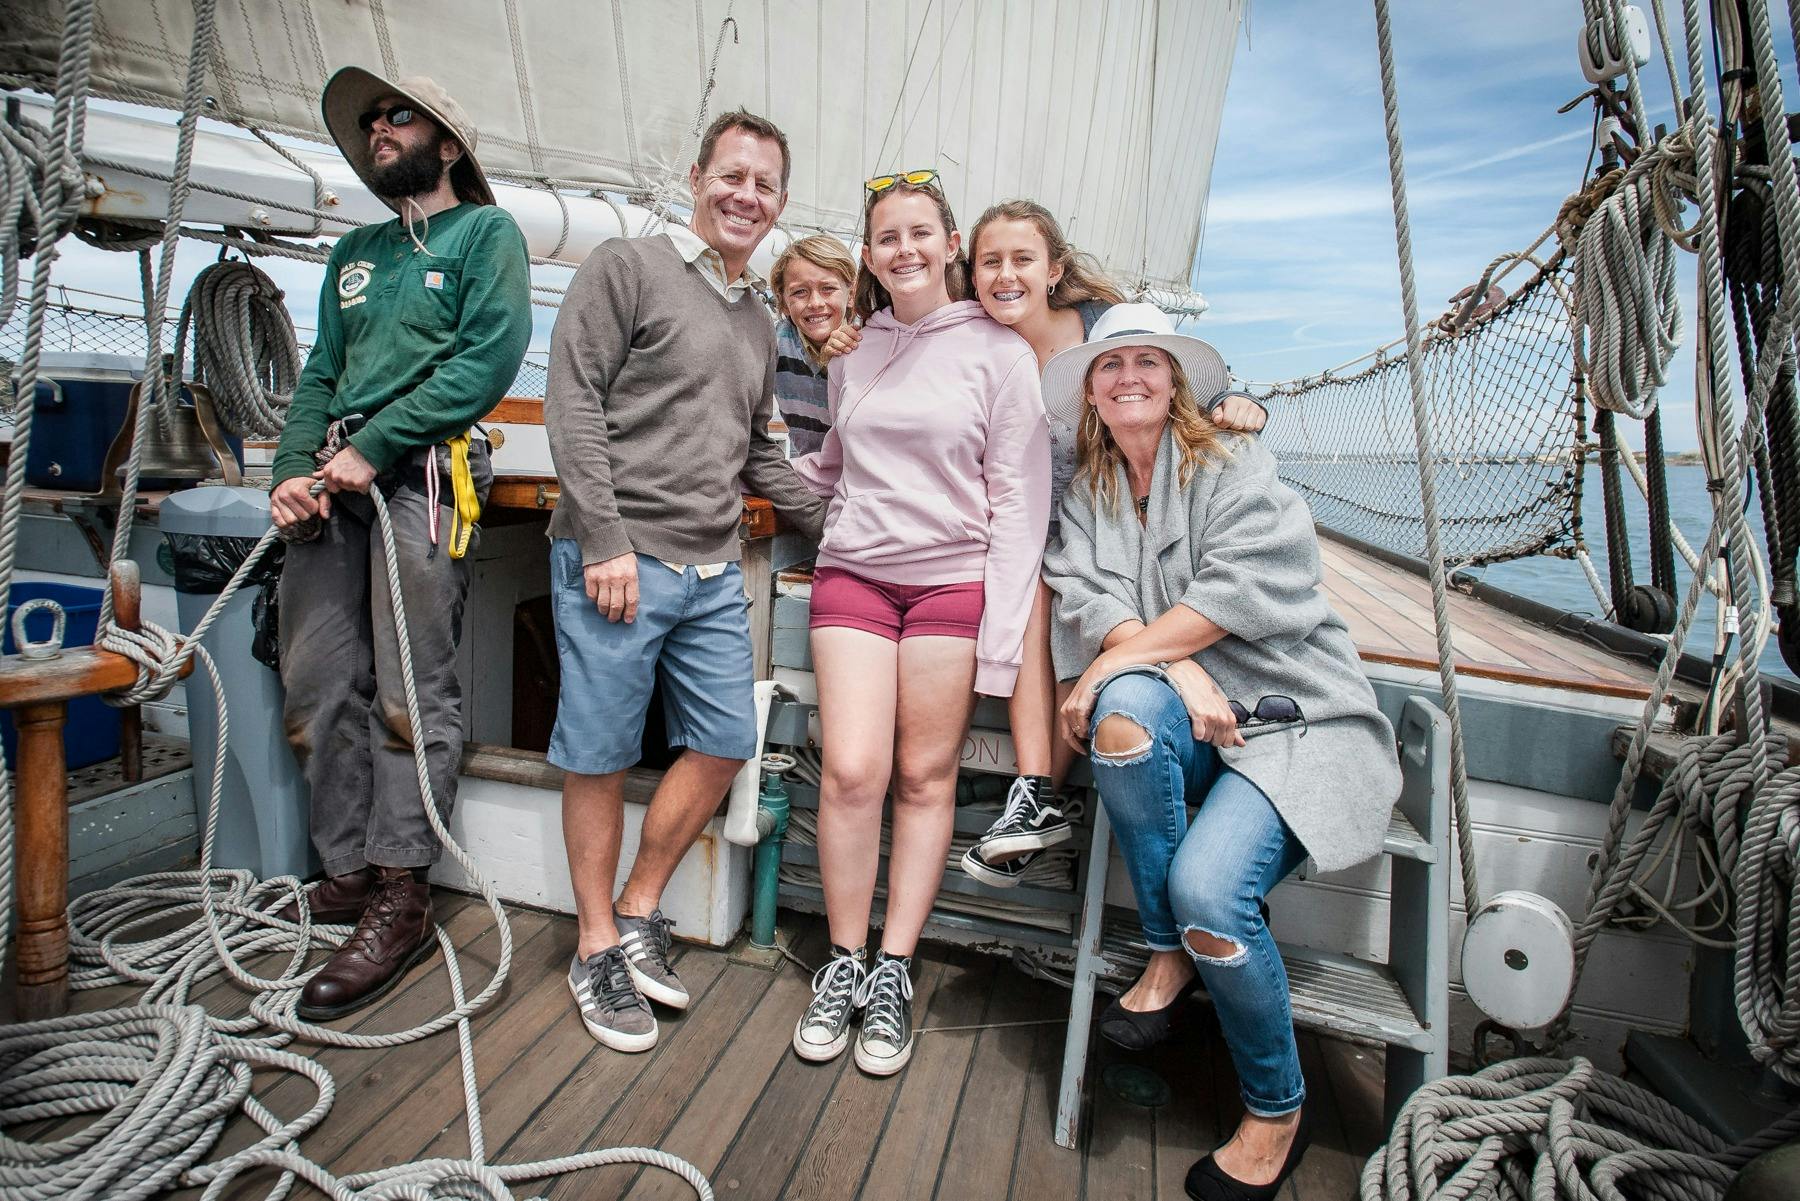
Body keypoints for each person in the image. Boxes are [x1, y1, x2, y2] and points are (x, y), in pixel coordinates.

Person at [1040, 303, 1400, 1201]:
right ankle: (1166, 950)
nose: (1129, 375)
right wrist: (1164, 667)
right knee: (1122, 714)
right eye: (1109, 362)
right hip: (1192, 713)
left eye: (1148, 362)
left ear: (1177, 381)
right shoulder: (1089, 487)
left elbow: (1250, 585)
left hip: (1293, 722)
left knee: (1211, 888)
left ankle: (1277, 1107)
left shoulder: (1237, 462)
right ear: (1090, 387)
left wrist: (1127, 661)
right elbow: (1086, 588)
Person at [544, 109, 826, 1053]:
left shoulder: (757, 317)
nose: (746, 194)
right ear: (697, 176)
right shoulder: (625, 268)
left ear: (780, 204)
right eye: (731, 175)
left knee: (722, 741)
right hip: (620, 558)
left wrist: (856, 529)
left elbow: (761, 455)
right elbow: (571, 399)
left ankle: (637, 908)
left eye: (765, 184)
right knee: (601, 750)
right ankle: (592, 948)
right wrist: (603, 540)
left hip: (709, 570)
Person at [268, 69, 531, 1019]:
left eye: (400, 116)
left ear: (447, 144)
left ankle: (402, 889)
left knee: (410, 690)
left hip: (420, 472)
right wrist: (294, 470)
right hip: (333, 486)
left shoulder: (484, 236)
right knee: (315, 680)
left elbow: (488, 355)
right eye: (372, 120)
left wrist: (376, 446)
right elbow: (320, 373)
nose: (381, 129)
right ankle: (343, 871)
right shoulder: (356, 252)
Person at [786, 171, 1050, 1075]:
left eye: (920, 234)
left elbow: (1019, 503)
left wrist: (1006, 642)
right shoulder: (853, 347)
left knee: (925, 776)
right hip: (855, 574)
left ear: (950, 247)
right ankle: (843, 959)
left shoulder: (1001, 352)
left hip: (950, 587)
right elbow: (830, 463)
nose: (903, 250)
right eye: (886, 237)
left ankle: (895, 966)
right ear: (870, 254)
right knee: (853, 771)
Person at [769, 234, 856, 457]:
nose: (816, 303)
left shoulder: (870, 339)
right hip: (807, 472)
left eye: (828, 288)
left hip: (863, 477)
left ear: (851, 295)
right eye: (799, 292)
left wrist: (839, 361)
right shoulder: (773, 344)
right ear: (784, 303)